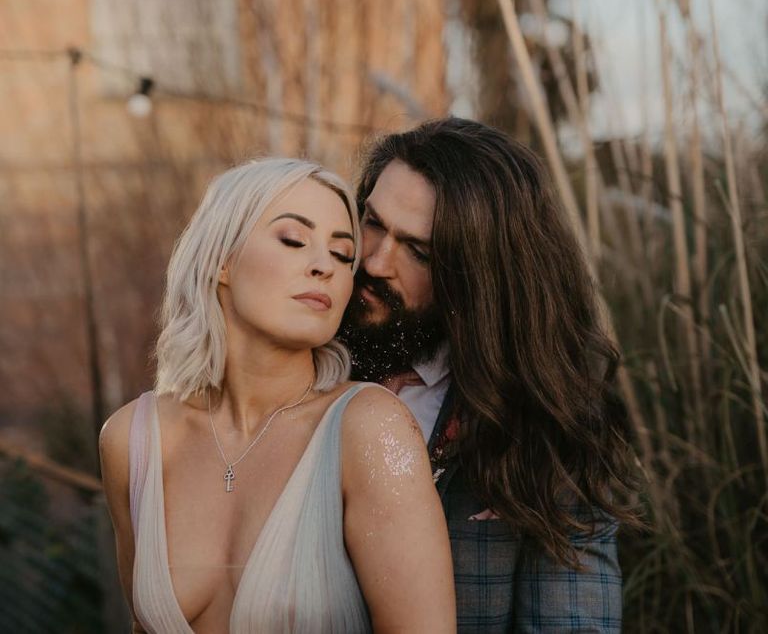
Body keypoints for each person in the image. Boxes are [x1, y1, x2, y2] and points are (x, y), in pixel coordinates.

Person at [99, 158, 456, 633]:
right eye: (293, 240)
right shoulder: (133, 440)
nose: (322, 266)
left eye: (342, 255)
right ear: (222, 259)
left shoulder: (369, 428)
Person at [338, 117, 639, 632]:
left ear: (479, 278)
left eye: (418, 251)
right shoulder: (295, 361)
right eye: (371, 220)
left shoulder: (545, 425)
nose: (375, 261)